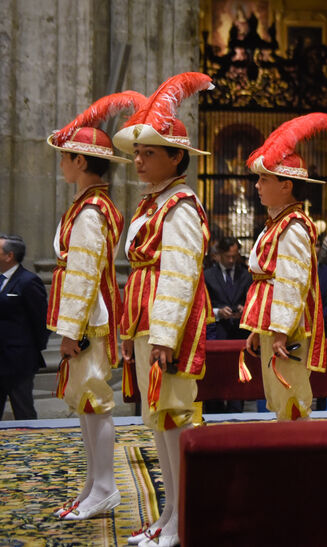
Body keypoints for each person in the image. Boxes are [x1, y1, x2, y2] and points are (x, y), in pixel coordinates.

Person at [113, 72, 214, 547]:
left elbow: (179, 273)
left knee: (174, 418)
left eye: (149, 152)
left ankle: (184, 519)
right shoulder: (152, 203)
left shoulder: (181, 206)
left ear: (177, 158)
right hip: (146, 322)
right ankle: (170, 513)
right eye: (137, 152)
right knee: (158, 420)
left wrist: (164, 337)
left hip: (166, 326)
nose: (138, 159)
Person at [45, 92, 140, 519]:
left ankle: (105, 487)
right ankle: (92, 485)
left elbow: (84, 274)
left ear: (81, 162)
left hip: (91, 320)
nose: (61, 163)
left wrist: (72, 330)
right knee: (85, 401)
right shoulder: (88, 206)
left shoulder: (90, 212)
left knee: (95, 401)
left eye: (65, 157)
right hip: (89, 318)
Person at [240, 113, 327, 421]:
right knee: (278, 399)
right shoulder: (277, 224)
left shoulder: (293, 226)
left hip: (288, 328)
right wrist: (261, 329)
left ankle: (297, 466)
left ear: (286, 186)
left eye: (264, 179)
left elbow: (291, 283)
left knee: (290, 398)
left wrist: (280, 330)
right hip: (275, 325)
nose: (257, 186)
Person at [0, 234, 49, 420]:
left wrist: (29, 350)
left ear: (9, 255)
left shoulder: (28, 281)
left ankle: (31, 446)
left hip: (19, 361)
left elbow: (41, 321)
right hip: (0, 358)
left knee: (23, 410)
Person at [205, 237, 252, 341]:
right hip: (217, 332)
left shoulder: (246, 275)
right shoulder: (208, 276)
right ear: (220, 254)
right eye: (228, 257)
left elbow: (252, 302)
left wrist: (245, 310)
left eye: (234, 257)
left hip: (241, 334)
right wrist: (218, 312)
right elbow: (203, 307)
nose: (231, 260)